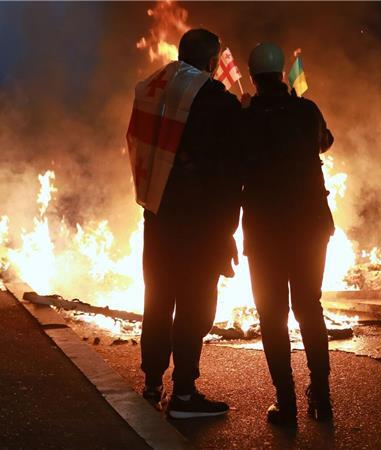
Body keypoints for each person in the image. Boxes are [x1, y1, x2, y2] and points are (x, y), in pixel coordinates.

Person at [128, 28, 241, 419]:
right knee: (195, 305)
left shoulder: (154, 88)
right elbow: (228, 174)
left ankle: (152, 382)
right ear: (212, 63)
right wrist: (227, 232)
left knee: (158, 299)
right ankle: (185, 395)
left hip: (158, 216)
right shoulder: (215, 101)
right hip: (200, 225)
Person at [240, 42, 335, 426]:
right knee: (310, 308)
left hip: (265, 230)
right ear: (281, 74)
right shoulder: (306, 109)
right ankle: (322, 397)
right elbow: (325, 142)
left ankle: (287, 402)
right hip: (311, 224)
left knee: (273, 316)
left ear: (252, 77)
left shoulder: (245, 117)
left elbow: (235, 164)